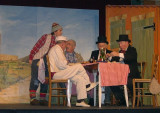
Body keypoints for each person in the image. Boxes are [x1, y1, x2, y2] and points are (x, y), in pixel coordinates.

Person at [48, 36, 98, 107]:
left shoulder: (56, 49)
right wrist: (67, 63)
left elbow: (61, 65)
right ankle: (88, 84)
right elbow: (62, 64)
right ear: (62, 43)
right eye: (66, 44)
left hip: (59, 72)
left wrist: (69, 66)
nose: (66, 46)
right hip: (56, 74)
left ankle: (80, 101)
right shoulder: (57, 49)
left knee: (79, 79)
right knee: (79, 66)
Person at [29, 23, 63, 105]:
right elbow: (36, 47)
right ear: (55, 31)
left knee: (46, 79)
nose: (61, 32)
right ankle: (33, 99)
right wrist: (31, 57)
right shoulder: (45, 37)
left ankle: (42, 98)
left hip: (48, 63)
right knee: (35, 79)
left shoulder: (57, 42)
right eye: (60, 30)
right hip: (38, 60)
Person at [109, 34, 140, 106]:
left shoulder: (132, 50)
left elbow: (130, 58)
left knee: (129, 81)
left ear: (127, 43)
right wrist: (110, 56)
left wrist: (118, 54)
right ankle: (122, 100)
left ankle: (136, 101)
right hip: (121, 75)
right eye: (119, 43)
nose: (119, 45)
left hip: (131, 75)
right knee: (111, 81)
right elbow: (114, 59)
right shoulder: (120, 52)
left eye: (121, 43)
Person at [90, 35, 112, 106]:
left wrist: (110, 58)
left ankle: (107, 100)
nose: (101, 47)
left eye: (103, 45)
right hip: (97, 73)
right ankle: (94, 100)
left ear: (106, 45)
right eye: (100, 46)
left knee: (108, 78)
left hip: (107, 73)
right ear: (97, 46)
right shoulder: (94, 53)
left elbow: (114, 63)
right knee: (92, 79)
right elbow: (90, 62)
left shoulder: (110, 52)